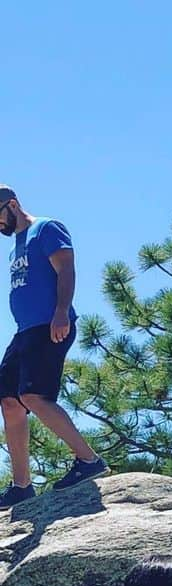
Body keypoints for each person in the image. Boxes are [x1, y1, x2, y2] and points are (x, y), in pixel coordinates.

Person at [0, 185, 107, 509]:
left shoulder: (45, 228)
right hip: (25, 332)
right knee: (8, 400)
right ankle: (21, 486)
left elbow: (66, 269)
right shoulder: (15, 247)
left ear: (13, 205)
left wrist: (61, 312)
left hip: (50, 325)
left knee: (33, 395)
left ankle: (89, 461)